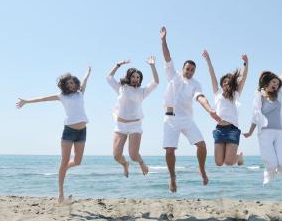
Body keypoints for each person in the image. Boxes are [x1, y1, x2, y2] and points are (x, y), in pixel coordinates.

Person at [16, 67, 91, 203]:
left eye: (72, 82)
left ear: (75, 82)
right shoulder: (61, 96)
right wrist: (26, 101)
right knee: (64, 160)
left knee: (78, 162)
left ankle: (64, 168)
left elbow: (85, 80)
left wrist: (88, 72)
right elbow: (43, 98)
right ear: (64, 86)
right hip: (69, 131)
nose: (70, 85)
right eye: (67, 84)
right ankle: (61, 193)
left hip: (82, 131)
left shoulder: (80, 93)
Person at [160, 26, 221, 192]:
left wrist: (210, 110)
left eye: (192, 70)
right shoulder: (173, 75)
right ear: (182, 68)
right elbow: (167, 57)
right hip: (170, 119)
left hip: (187, 119)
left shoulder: (196, 84)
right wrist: (163, 40)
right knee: (170, 150)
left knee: (202, 146)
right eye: (187, 69)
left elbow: (200, 97)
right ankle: (172, 177)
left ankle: (201, 169)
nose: (190, 71)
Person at [106, 57, 159, 177]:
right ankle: (125, 164)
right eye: (134, 76)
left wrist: (152, 66)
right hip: (120, 125)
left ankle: (142, 163)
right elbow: (109, 77)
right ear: (129, 77)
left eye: (138, 77)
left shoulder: (142, 91)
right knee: (116, 155)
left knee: (134, 155)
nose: (136, 79)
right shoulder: (121, 87)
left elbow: (156, 82)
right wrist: (118, 64)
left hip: (135, 125)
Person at [243, 68, 282, 184]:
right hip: (265, 133)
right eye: (273, 82)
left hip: (279, 132)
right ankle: (268, 172)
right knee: (271, 163)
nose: (276, 85)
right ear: (267, 83)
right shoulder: (259, 97)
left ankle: (275, 171)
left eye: (277, 83)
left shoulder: (279, 95)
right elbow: (255, 117)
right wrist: (250, 132)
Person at [202, 49, 248, 166]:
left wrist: (245, 64)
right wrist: (208, 59)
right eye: (224, 82)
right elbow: (211, 74)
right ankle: (236, 156)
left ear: (232, 85)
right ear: (222, 84)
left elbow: (243, 78)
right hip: (219, 129)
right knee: (218, 163)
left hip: (232, 129)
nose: (226, 84)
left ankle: (239, 156)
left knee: (228, 162)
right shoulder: (217, 93)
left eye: (229, 83)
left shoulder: (235, 94)